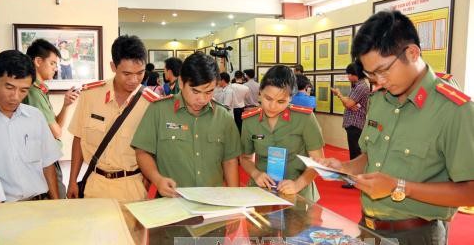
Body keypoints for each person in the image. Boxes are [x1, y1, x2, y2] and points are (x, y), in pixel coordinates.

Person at [319, 10, 474, 245]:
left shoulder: (454, 109)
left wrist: (399, 187)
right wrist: (345, 167)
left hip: (416, 237)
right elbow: (371, 156)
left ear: (412, 53)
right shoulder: (379, 100)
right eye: (371, 74)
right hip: (367, 228)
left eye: (383, 70)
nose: (378, 81)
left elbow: (470, 191)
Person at [132, 52, 241, 197]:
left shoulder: (224, 116)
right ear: (181, 83)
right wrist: (157, 180)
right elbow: (142, 152)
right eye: (195, 91)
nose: (202, 99)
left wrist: (235, 201)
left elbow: (230, 161)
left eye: (209, 92)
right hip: (172, 203)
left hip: (214, 202)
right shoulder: (159, 110)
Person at [67, 35, 152, 205]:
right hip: (95, 185)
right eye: (127, 73)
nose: (134, 80)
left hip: (133, 187)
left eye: (140, 73)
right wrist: (72, 181)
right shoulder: (90, 95)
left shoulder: (150, 103)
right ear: (113, 66)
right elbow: (78, 139)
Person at [0, 50, 61, 201]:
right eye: (9, 87)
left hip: (38, 204)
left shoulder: (35, 117)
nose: (15, 97)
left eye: (23, 90)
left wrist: (56, 203)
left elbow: (48, 164)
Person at [240, 65, 325, 202]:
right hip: (262, 193)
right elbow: (245, 158)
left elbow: (318, 162)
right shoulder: (250, 121)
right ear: (260, 92)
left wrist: (298, 184)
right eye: (268, 98)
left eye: (281, 101)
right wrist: (256, 174)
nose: (272, 106)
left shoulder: (305, 118)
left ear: (290, 98)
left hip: (299, 195)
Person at [24, 38, 79, 199]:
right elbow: (56, 132)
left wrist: (66, 104)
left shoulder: (40, 90)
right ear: (38, 61)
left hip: (46, 156)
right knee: (58, 203)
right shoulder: (34, 92)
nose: (56, 68)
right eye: (53, 63)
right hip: (42, 160)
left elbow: (55, 126)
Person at [330, 62, 369, 188]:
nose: (348, 77)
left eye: (349, 74)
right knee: (354, 152)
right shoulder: (357, 86)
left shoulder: (361, 87)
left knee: (355, 153)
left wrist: (339, 95)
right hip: (352, 123)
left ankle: (354, 181)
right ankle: (355, 180)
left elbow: (348, 103)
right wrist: (347, 101)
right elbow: (349, 104)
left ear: (355, 74)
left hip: (356, 124)